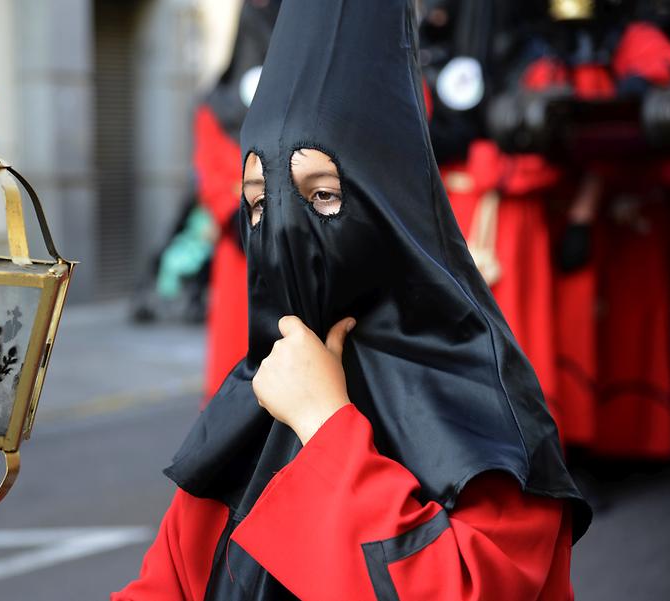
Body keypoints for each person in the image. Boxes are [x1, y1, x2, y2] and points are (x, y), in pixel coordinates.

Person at [112, 1, 590, 599]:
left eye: (325, 196)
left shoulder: (484, 416)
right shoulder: (249, 403)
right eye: (262, 203)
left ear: (388, 206)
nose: (284, 233)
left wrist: (325, 426)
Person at [194, 0, 280, 403]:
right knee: (234, 356)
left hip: (288, 248)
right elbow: (211, 174)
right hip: (238, 252)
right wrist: (239, 212)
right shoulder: (218, 104)